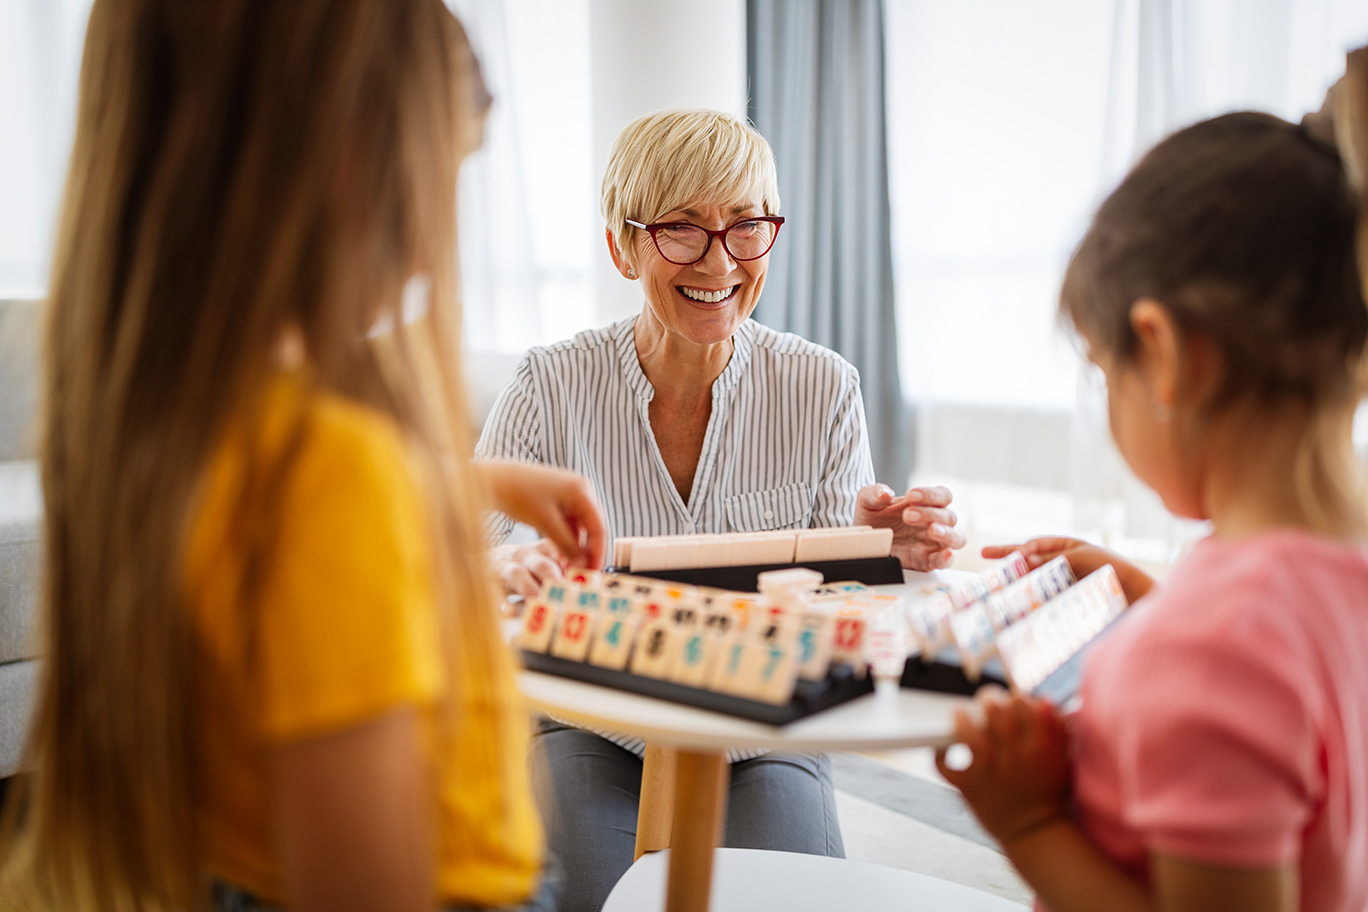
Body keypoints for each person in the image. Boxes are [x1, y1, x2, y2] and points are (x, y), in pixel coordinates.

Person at [0, 2, 606, 911]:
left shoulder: (176, 425)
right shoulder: (337, 479)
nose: (442, 223)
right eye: (442, 167)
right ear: (346, 161)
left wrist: (472, 481)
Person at [475, 108, 966, 912]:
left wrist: (885, 556)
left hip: (765, 729)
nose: (720, 260)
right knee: (589, 900)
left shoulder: (823, 386)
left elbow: (856, 605)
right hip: (589, 721)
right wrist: (504, 561)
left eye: (745, 227)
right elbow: (472, 558)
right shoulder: (549, 384)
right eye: (682, 229)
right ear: (622, 246)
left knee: (782, 900)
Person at [938, 90, 1368, 912]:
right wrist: (1158, 603)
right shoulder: (1331, 565)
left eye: (1105, 370)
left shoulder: (1213, 646)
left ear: (1164, 355)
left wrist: (1030, 824)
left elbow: (1232, 665)